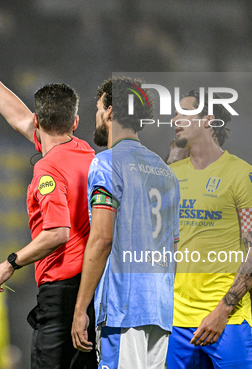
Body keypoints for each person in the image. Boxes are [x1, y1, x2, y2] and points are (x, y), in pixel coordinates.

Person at [0, 41, 97, 369]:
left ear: (39, 120)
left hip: (62, 293)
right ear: (74, 122)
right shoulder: (87, 155)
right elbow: (18, 117)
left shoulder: (48, 168)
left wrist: (10, 263)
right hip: (93, 294)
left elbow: (58, 232)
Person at [71, 77, 180, 368]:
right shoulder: (166, 171)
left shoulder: (106, 163)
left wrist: (81, 309)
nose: (97, 116)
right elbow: (174, 246)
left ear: (109, 112)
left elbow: (102, 239)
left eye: (97, 109)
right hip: (159, 311)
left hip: (123, 309)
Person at [166, 89, 252, 368]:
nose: (174, 119)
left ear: (208, 120)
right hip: (176, 322)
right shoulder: (173, 175)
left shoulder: (243, 175)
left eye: (183, 113)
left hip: (227, 322)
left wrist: (222, 311)